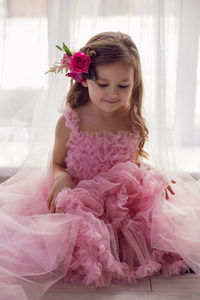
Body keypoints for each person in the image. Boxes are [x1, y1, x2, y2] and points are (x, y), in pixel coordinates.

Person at [0, 31, 200, 300]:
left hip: (124, 202)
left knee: (168, 228)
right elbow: (58, 163)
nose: (112, 94)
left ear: (135, 84)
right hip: (81, 198)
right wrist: (60, 178)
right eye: (103, 84)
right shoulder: (71, 121)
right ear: (84, 79)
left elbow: (131, 161)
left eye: (123, 86)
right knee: (66, 243)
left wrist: (150, 174)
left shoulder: (132, 119)